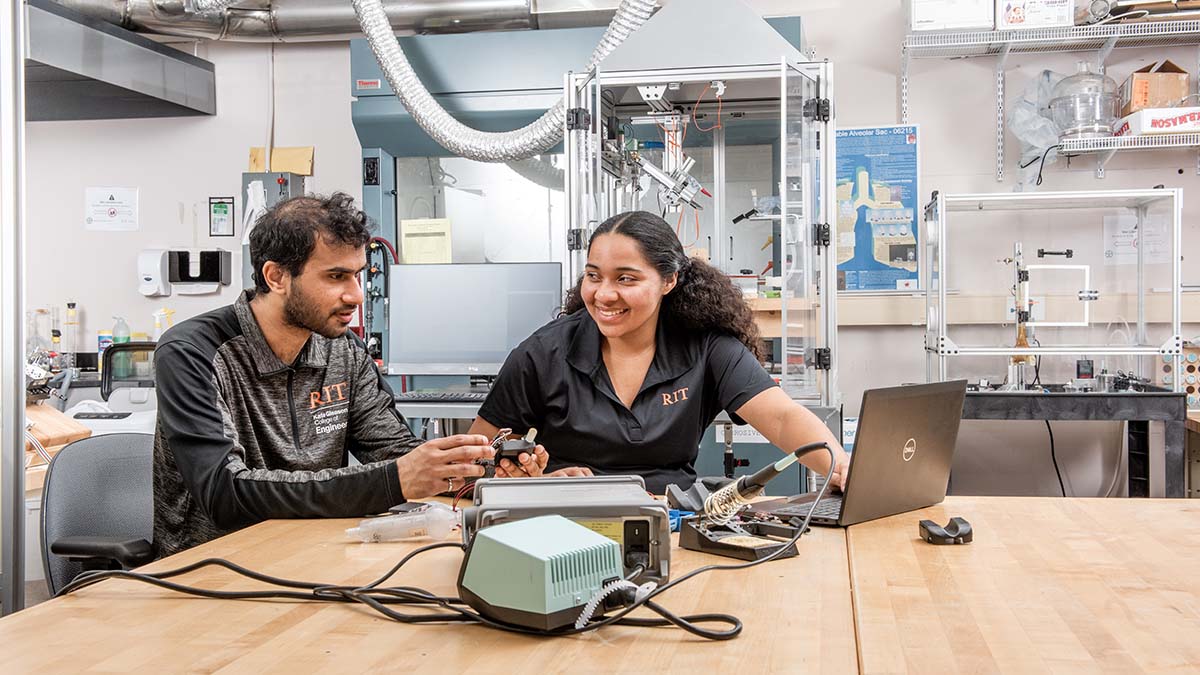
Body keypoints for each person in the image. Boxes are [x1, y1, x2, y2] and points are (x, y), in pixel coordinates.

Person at [153, 193, 496, 558]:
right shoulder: (193, 353)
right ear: (277, 276)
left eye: (358, 276)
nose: (356, 295)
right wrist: (391, 481)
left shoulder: (343, 349)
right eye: (336, 276)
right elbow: (224, 492)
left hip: (314, 555)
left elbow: (396, 452)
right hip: (210, 570)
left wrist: (478, 472)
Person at [469, 210, 850, 494]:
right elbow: (476, 463)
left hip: (674, 522)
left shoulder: (706, 346)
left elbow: (782, 418)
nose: (603, 294)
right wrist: (537, 484)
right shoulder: (542, 353)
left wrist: (842, 467)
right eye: (593, 275)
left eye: (626, 278)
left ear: (669, 280)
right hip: (565, 525)